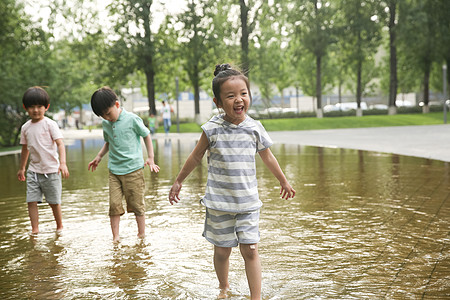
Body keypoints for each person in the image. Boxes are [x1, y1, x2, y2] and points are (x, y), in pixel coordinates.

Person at [168, 64, 296, 299]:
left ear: (249, 96)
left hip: (248, 203)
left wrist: (284, 181)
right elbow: (196, 156)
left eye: (243, 94)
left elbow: (267, 156)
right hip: (219, 203)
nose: (239, 100)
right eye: (231, 96)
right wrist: (178, 181)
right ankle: (223, 288)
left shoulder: (255, 128)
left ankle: (255, 297)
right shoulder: (211, 129)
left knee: (251, 249)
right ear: (218, 102)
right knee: (223, 251)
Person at [88, 87, 160, 243]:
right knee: (114, 205)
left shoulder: (132, 119)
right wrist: (99, 156)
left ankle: (141, 236)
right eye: (103, 116)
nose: (107, 118)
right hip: (114, 170)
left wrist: (151, 158)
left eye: (108, 113)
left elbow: (147, 135)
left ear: (117, 104)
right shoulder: (106, 123)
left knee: (137, 205)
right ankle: (115, 238)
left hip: (133, 169)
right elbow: (109, 142)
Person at [17, 86, 70, 234]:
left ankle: (59, 226)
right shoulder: (25, 128)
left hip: (52, 170)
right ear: (25, 108)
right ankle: (35, 229)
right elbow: (25, 149)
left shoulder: (50, 124)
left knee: (54, 202)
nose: (35, 110)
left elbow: (60, 143)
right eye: (32, 107)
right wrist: (22, 168)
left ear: (46, 107)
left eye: (39, 106)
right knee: (31, 201)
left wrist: (63, 163)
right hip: (33, 171)